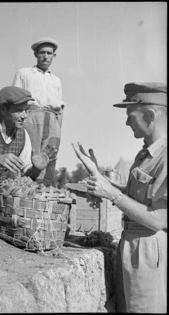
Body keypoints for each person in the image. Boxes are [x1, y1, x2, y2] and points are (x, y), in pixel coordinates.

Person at [72, 82, 167, 313]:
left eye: (129, 115)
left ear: (149, 114)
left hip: (148, 250)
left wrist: (110, 193)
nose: (126, 122)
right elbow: (139, 198)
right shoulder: (146, 154)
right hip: (132, 246)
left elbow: (158, 220)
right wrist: (101, 179)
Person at [13, 37, 65, 187]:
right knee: (30, 155)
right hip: (31, 116)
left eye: (49, 53)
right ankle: (23, 191)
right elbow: (15, 99)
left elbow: (60, 108)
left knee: (50, 155)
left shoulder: (56, 80)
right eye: (42, 52)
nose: (46, 56)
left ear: (54, 56)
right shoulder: (24, 73)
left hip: (52, 118)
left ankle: (45, 192)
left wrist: (58, 128)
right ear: (35, 54)